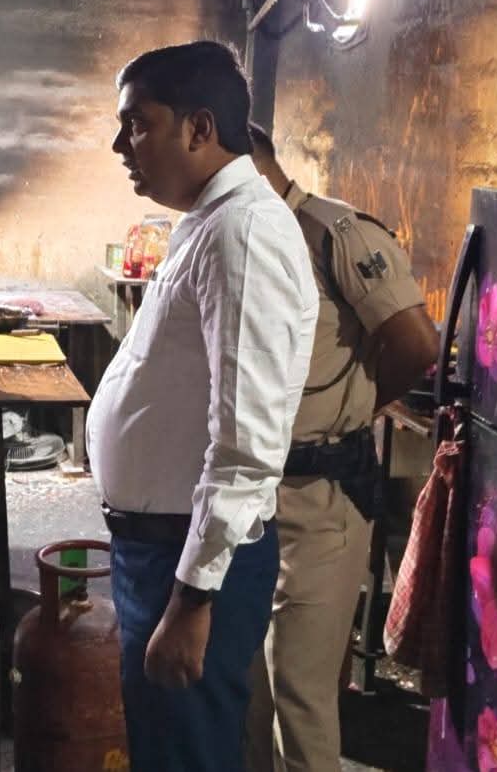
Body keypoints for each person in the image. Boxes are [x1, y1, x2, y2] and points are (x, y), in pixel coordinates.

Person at [86, 42, 318, 771]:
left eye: (137, 124)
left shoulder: (241, 233)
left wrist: (191, 600)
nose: (121, 146)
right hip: (165, 550)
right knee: (170, 746)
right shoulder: (211, 222)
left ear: (199, 127)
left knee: (187, 753)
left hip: (189, 561)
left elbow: (247, 444)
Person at [244, 122, 437, 772]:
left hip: (320, 495)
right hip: (248, 496)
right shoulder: (241, 239)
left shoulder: (336, 235)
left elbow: (415, 343)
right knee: (248, 689)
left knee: (299, 693)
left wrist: (360, 404)